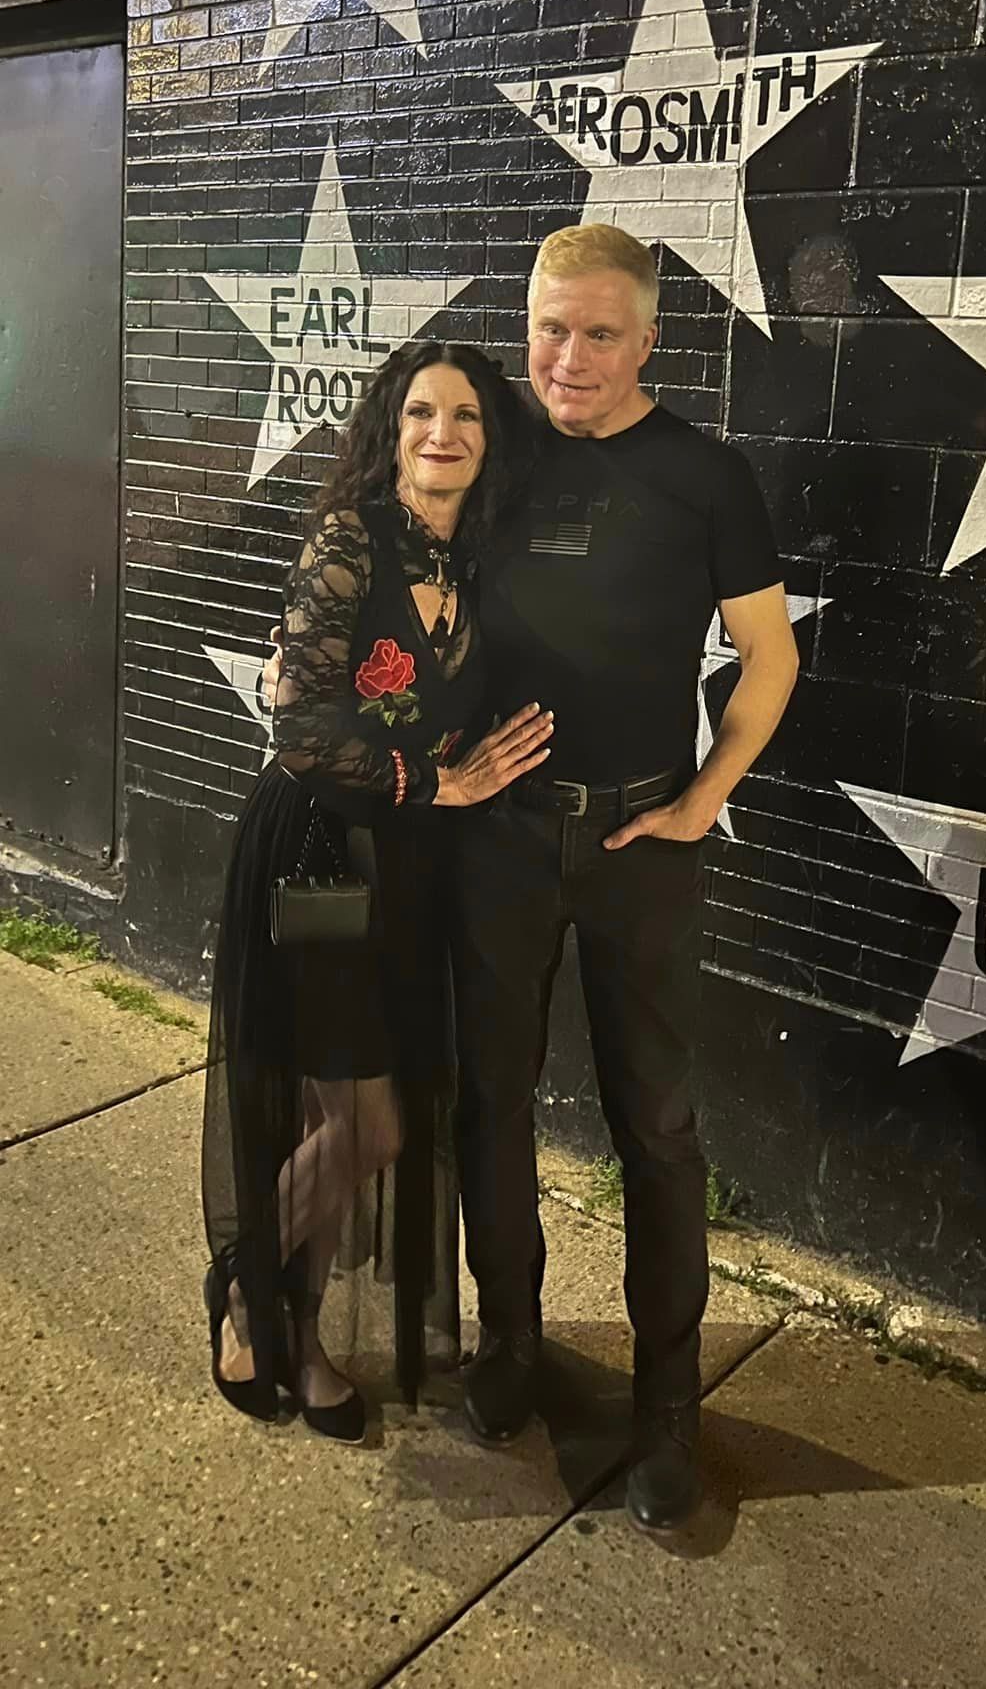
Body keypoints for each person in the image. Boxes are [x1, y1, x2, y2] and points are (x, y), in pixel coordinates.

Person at [451, 224, 798, 1533]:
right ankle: (510, 1348)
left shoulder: (705, 475)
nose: (570, 358)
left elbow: (769, 658)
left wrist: (705, 801)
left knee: (654, 1126)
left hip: (640, 841)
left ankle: (667, 1413)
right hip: (498, 841)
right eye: (550, 327)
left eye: (602, 333)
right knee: (489, 1100)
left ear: (651, 341)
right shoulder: (486, 456)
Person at [201, 342, 553, 1442]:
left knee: (341, 1118)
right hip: (316, 853)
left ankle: (295, 1333)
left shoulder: (481, 564)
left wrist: (463, 767)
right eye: (418, 413)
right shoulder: (350, 543)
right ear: (388, 432)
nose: (440, 432)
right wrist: (437, 777)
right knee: (366, 1122)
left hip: (402, 871)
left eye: (464, 416)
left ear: (489, 442)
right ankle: (249, 1290)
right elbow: (298, 728)